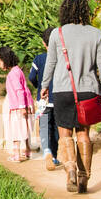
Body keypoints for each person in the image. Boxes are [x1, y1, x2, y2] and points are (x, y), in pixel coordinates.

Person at [40, 0, 101, 193]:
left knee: (65, 133)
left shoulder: (57, 34)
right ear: (84, 11)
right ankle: (84, 176)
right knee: (83, 133)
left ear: (65, 11)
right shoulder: (96, 33)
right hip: (88, 90)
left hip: (62, 89)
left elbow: (51, 63)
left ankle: (70, 169)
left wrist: (45, 85)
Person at [26, 27, 60, 170]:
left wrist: (38, 86)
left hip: (43, 99)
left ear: (43, 43)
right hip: (59, 98)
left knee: (45, 126)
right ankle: (55, 156)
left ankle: (46, 150)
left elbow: (32, 77)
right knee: (58, 128)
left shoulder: (39, 59)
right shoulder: (62, 59)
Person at [0, 46, 34, 161]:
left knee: (15, 129)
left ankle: (16, 154)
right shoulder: (18, 70)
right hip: (23, 104)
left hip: (17, 106)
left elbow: (19, 90)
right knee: (25, 127)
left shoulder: (13, 74)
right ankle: (27, 150)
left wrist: (22, 107)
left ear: (5, 60)